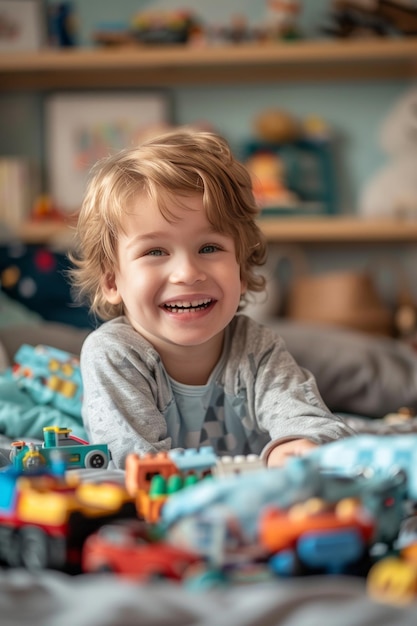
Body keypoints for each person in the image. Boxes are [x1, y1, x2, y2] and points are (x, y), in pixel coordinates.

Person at [70, 127, 353, 469]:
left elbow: (315, 425)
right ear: (113, 280)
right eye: (156, 251)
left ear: (242, 269)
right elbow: (137, 465)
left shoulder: (256, 347)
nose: (187, 273)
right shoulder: (112, 354)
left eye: (209, 248)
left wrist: (297, 447)